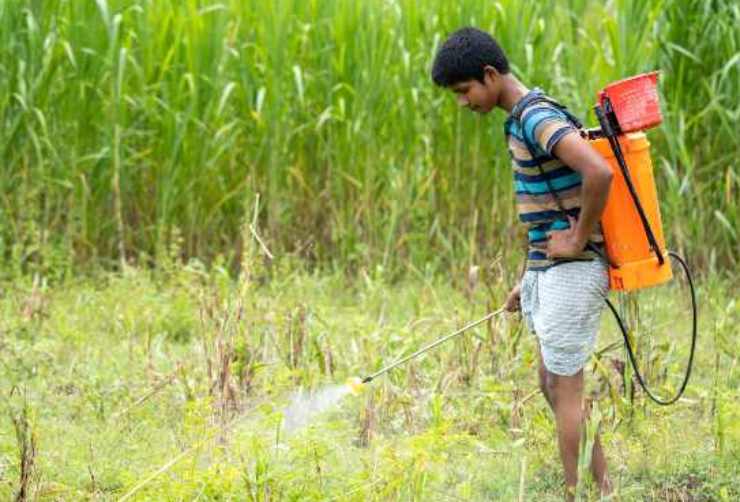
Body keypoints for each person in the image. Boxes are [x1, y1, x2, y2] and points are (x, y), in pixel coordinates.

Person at [431, 27, 614, 499]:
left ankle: (579, 492)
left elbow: (598, 171)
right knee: (550, 380)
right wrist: (527, 277)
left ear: (489, 75)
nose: (462, 102)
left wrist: (576, 239)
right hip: (550, 269)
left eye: (464, 91)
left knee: (566, 386)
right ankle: (600, 485)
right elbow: (548, 209)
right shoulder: (518, 120)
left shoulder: (535, 117)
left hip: (574, 268)